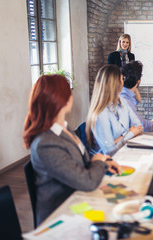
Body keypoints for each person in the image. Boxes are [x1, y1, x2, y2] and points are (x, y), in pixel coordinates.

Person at [23, 74, 121, 225]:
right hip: (61, 215)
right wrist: (98, 161)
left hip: (78, 200)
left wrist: (104, 161)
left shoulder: (64, 128)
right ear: (62, 99)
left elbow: (80, 163)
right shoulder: (45, 143)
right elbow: (86, 181)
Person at [86, 65, 143, 157]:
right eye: (122, 79)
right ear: (115, 83)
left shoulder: (122, 101)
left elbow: (139, 126)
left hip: (124, 153)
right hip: (106, 163)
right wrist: (129, 133)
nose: (123, 82)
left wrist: (119, 139)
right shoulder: (101, 114)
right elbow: (110, 151)